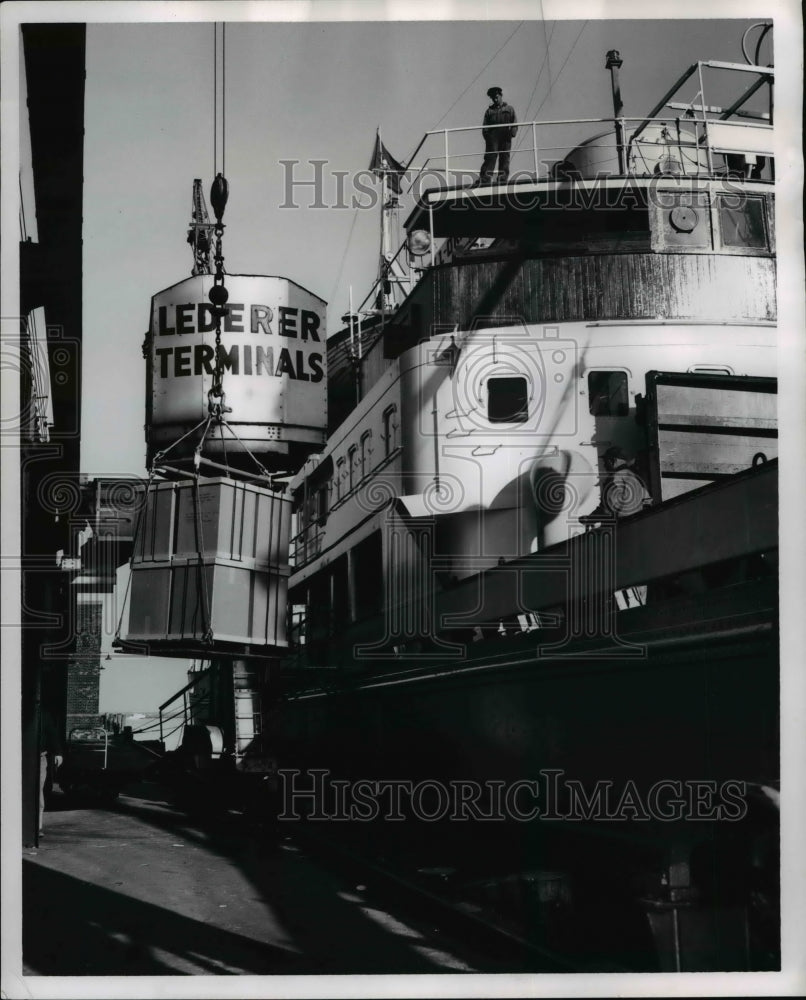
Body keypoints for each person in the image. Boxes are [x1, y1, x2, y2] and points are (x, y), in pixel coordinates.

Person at [480, 87, 518, 184]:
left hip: (505, 136)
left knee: (504, 157)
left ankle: (502, 178)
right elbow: (485, 127)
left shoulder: (509, 109)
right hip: (493, 137)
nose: (495, 99)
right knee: (490, 158)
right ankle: (485, 179)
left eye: (496, 97)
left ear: (501, 96)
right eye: (493, 98)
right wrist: (488, 138)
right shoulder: (489, 111)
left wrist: (512, 133)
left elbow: (514, 122)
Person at [38, 708, 64, 837]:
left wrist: (58, 753)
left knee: (37, 792)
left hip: (39, 758)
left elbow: (52, 734)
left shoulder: (43, 714)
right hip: (19, 757)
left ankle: (38, 827)